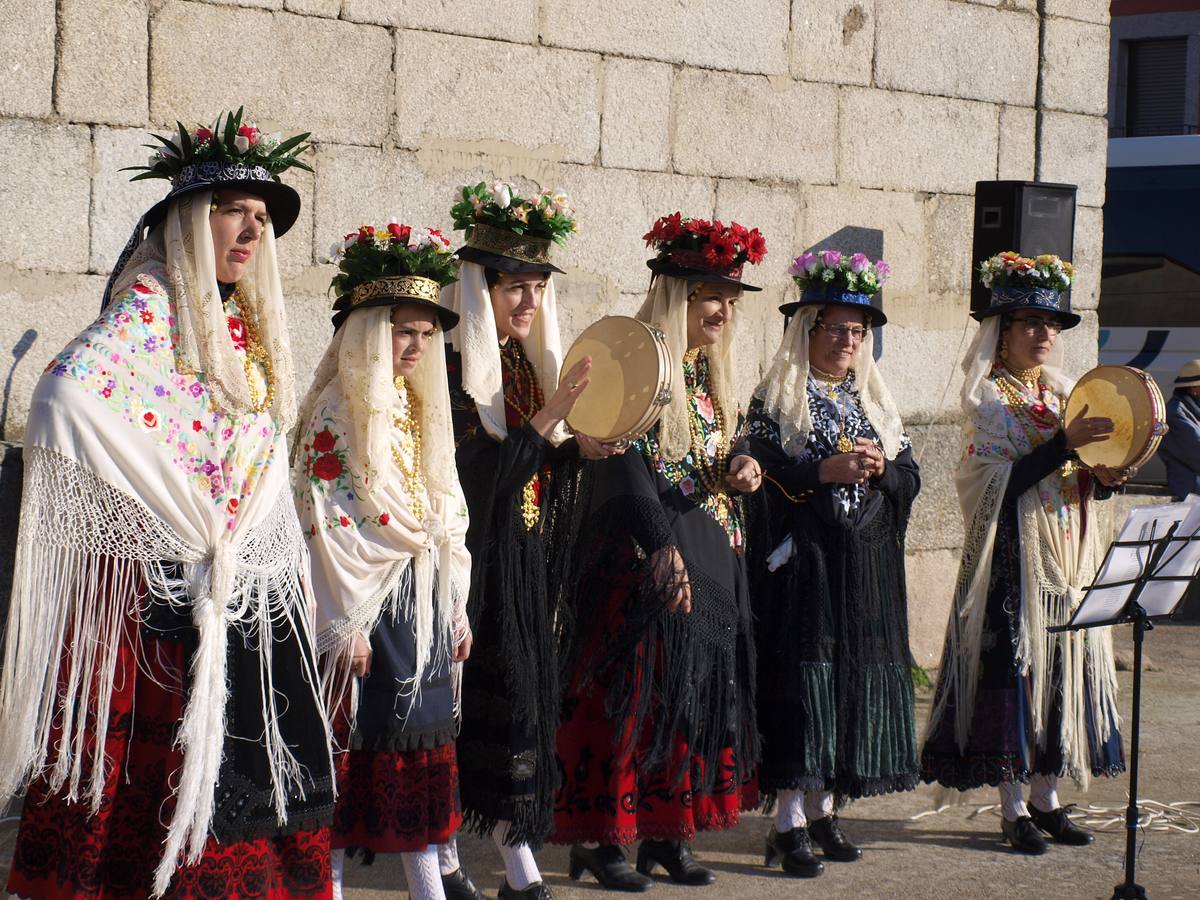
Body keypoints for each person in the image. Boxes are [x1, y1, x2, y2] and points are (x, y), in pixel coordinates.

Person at [0, 110, 334, 898]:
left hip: (239, 597)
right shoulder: (151, 307)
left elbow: (246, 457)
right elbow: (68, 394)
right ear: (188, 219)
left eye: (261, 220)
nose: (250, 232)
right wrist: (165, 520)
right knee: (148, 798)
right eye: (232, 212)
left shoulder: (236, 324)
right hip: (164, 609)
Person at [552, 213, 766, 891]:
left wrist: (744, 461)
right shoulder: (636, 360)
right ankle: (601, 840)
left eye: (730, 300)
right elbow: (620, 455)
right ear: (677, 295)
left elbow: (723, 437)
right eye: (712, 297)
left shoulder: (708, 371)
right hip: (643, 557)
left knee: (692, 699)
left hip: (709, 548)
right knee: (633, 702)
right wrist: (659, 545)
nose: (723, 311)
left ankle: (667, 835)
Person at [295, 221, 485, 900]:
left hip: (420, 598)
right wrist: (344, 621)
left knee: (420, 747)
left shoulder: (417, 404)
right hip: (365, 606)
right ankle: (331, 889)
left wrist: (455, 604)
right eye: (404, 331)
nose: (416, 345)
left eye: (426, 334)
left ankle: (428, 888)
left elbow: (447, 505)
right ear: (371, 332)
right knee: (350, 759)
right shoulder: (336, 412)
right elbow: (327, 520)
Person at [921, 252, 1127, 855]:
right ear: (1003, 331)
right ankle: (1013, 808)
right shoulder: (987, 401)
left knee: (1061, 673)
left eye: (1052, 324)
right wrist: (1064, 445)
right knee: (1016, 675)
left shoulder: (1065, 395)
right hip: (1012, 559)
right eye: (1031, 322)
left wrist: (1102, 476)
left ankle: (1046, 798)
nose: (1044, 334)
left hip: (1066, 556)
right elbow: (991, 486)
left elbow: (1073, 477)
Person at [443, 181, 610, 900]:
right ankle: (447, 862)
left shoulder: (520, 363)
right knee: (469, 714)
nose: (528, 302)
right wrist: (550, 420)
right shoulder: (453, 366)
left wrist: (580, 449)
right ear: (481, 291)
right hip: (478, 568)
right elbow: (481, 476)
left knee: (522, 709)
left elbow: (534, 464)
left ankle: (515, 865)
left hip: (528, 562)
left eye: (538, 288)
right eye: (515, 286)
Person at [745, 250, 919, 878]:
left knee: (845, 685)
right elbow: (760, 477)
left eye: (858, 331)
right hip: (807, 568)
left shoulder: (874, 402)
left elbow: (911, 476)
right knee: (805, 686)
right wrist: (822, 471)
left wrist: (882, 471)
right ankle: (787, 821)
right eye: (836, 329)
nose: (848, 341)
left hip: (863, 570)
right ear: (807, 330)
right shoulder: (776, 401)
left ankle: (823, 810)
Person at [1159, 359, 1200, 501]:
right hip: (1191, 491)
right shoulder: (1175, 413)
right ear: (1194, 388)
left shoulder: (1193, 409)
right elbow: (1196, 452)